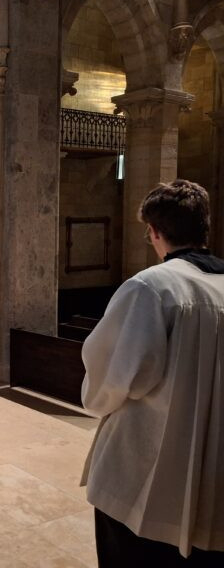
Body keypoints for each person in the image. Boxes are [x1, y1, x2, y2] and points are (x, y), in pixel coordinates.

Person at [81, 179, 224, 566]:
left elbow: (114, 379)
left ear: (155, 231)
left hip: (147, 467)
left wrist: (96, 399)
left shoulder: (152, 287)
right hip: (214, 475)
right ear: (204, 226)